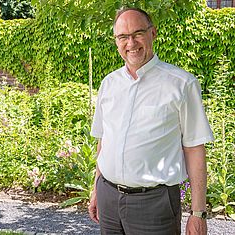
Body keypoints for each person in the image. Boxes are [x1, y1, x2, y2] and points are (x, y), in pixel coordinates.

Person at [88, 8, 214, 235]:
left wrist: (198, 214)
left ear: (153, 33)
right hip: (108, 197)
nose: (131, 43)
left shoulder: (182, 84)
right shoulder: (109, 84)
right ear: (116, 41)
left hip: (155, 205)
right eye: (123, 36)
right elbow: (104, 141)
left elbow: (195, 149)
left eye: (138, 33)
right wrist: (96, 189)